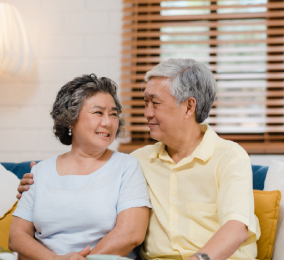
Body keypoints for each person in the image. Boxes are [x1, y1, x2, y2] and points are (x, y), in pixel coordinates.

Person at [17, 59, 260, 260]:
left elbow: (236, 228)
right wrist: (34, 185)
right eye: (145, 103)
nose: (147, 113)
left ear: (188, 108)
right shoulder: (139, 160)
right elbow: (89, 179)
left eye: (155, 103)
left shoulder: (229, 156)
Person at [9, 74, 151, 260]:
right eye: (98, 112)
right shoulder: (40, 171)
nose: (108, 122)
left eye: (113, 114)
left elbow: (131, 234)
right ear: (70, 119)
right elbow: (17, 237)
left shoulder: (127, 166)